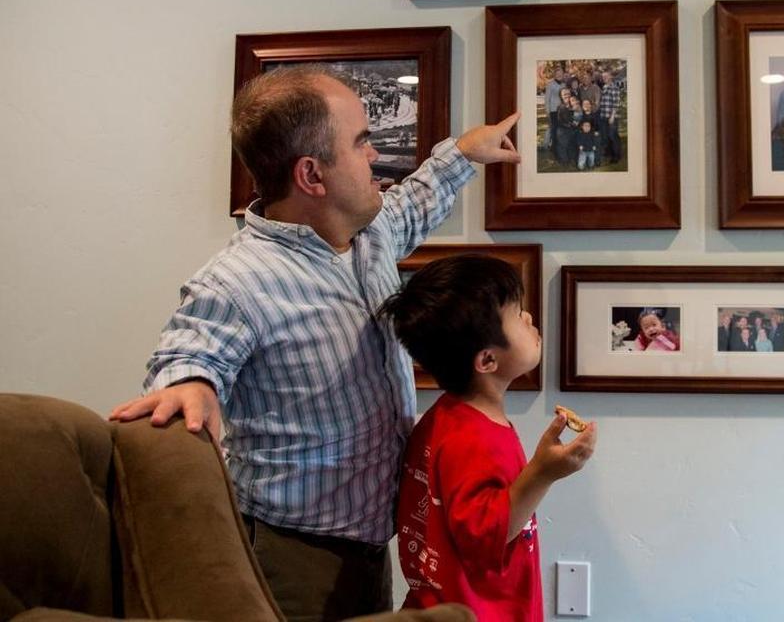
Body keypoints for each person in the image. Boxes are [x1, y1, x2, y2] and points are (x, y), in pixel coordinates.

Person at [109, 65, 521, 620]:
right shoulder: (236, 281)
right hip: (292, 559)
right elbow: (189, 353)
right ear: (312, 175)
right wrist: (192, 385)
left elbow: (414, 202)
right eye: (361, 142)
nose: (375, 155)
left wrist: (466, 153)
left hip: (374, 548)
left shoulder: (368, 233)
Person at [378, 255, 595, 621]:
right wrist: (543, 473)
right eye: (518, 315)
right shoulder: (473, 438)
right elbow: (483, 537)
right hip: (480, 612)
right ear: (487, 361)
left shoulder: (444, 419)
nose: (529, 319)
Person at [598, 70, 623, 164]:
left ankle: (616, 156)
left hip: (611, 116)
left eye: (606, 76)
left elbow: (616, 103)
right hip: (604, 115)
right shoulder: (604, 87)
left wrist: (612, 116)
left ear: (611, 77)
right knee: (606, 136)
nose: (604, 78)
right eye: (603, 77)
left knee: (613, 136)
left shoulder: (614, 88)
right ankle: (609, 153)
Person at [543, 68, 565, 150]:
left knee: (559, 128)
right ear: (555, 75)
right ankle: (549, 145)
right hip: (553, 110)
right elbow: (547, 99)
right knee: (553, 128)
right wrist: (547, 111)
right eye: (557, 74)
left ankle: (557, 144)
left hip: (561, 111)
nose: (559, 75)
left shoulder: (564, 85)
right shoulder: (550, 84)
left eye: (561, 74)